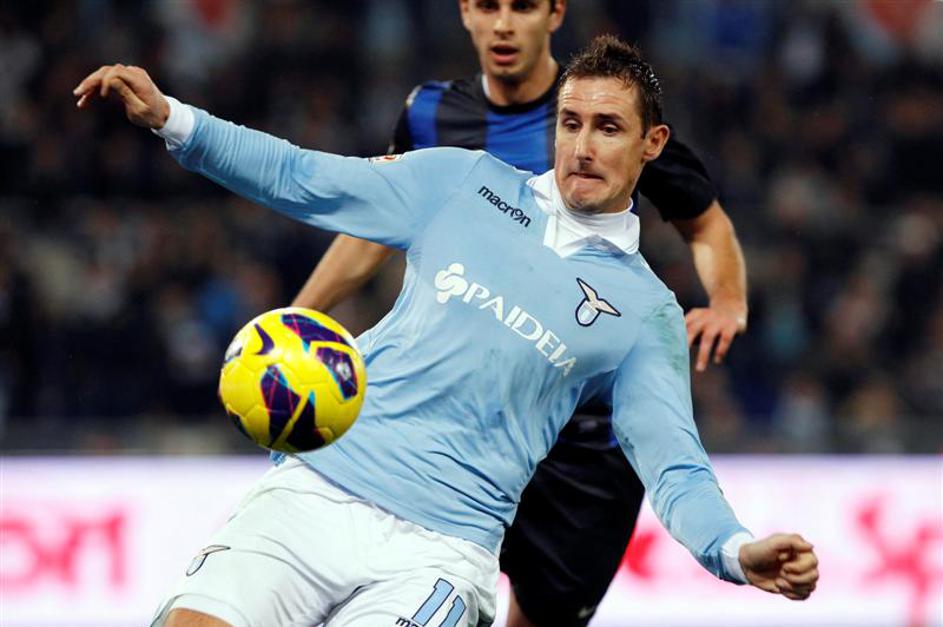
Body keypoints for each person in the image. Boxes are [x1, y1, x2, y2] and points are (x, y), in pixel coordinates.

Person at [75, 36, 817, 627]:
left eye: (608, 127)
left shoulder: (646, 314)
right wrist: (174, 119)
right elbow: (304, 177)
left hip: (438, 553)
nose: (583, 146)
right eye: (570, 123)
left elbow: (675, 467)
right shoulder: (463, 182)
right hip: (313, 492)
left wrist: (734, 550)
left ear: (652, 143)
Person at [291, 2, 748, 625]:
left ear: (555, 13)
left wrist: (727, 301)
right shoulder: (429, 114)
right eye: (488, 5)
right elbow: (378, 226)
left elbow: (706, 223)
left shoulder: (608, 117)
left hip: (582, 445)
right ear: (465, 13)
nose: (504, 24)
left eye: (523, 6)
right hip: (461, 420)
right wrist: (296, 318)